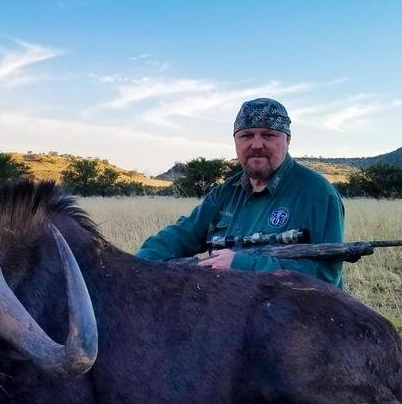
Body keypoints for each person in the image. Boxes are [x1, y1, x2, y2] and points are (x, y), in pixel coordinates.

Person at [136, 97, 345, 287]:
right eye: (246, 135)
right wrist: (135, 263)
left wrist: (241, 265)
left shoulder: (318, 194)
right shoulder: (225, 193)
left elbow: (325, 276)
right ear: (236, 141)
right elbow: (181, 235)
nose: (256, 145)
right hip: (229, 312)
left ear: (287, 140)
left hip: (297, 319)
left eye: (268, 134)